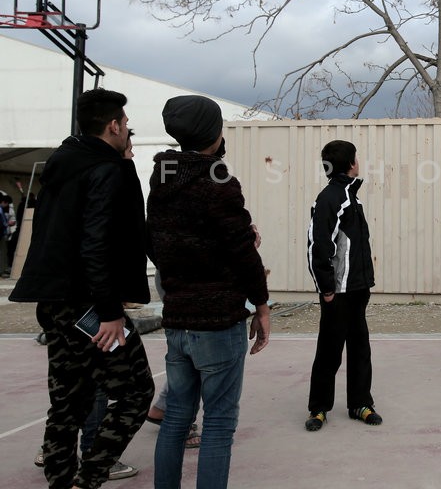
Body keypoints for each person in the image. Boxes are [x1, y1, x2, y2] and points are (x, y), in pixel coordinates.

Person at [10, 87, 155, 488]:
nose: (128, 131)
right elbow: (97, 243)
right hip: (88, 307)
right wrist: (109, 312)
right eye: (126, 125)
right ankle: (88, 478)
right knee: (136, 392)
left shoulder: (65, 161)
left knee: (68, 403)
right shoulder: (103, 170)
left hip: (52, 301)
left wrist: (123, 164)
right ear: (113, 125)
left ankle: (63, 481)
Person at [147, 94, 270, 489]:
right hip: (218, 319)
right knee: (218, 424)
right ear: (215, 133)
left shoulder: (162, 177)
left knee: (177, 419)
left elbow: (160, 242)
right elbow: (241, 255)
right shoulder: (221, 182)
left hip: (178, 316)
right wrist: (262, 304)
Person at [305, 139, 381, 431]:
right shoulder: (330, 198)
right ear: (351, 164)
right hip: (337, 292)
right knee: (329, 350)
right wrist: (326, 288)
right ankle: (318, 408)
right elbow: (318, 246)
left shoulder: (352, 196)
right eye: (356, 158)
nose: (358, 162)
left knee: (360, 347)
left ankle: (360, 403)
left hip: (359, 288)